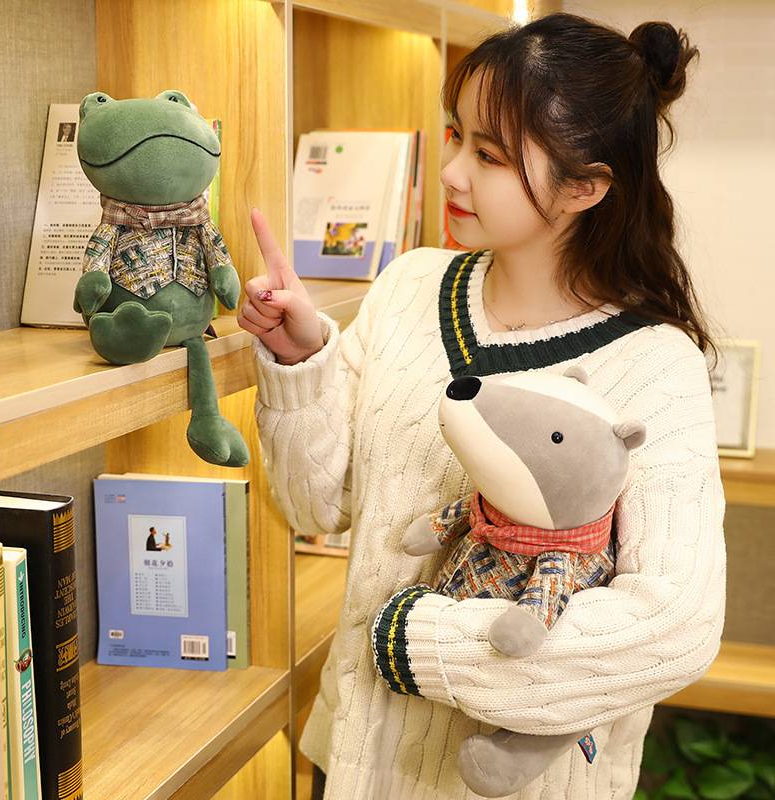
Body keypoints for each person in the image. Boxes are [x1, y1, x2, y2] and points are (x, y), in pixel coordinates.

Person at [238, 12, 726, 800]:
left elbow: (673, 628)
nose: (452, 172)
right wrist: (300, 361)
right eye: (454, 136)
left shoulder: (653, 365)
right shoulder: (407, 288)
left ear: (585, 186)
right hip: (352, 764)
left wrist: (420, 643)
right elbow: (316, 507)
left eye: (490, 155)